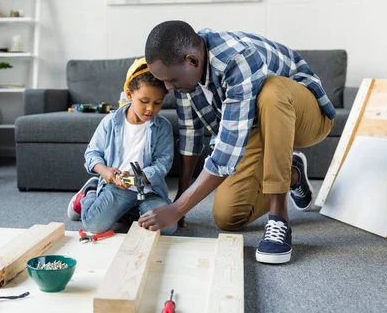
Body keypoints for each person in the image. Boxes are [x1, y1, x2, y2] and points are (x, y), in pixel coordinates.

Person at [137, 21, 335, 264]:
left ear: (192, 61)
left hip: (305, 116)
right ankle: (292, 174)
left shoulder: (237, 58)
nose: (168, 87)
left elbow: (226, 153)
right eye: (164, 81)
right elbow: (191, 134)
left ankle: (279, 217)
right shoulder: (183, 77)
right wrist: (179, 199)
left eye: (171, 80)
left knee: (272, 92)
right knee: (227, 216)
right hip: (254, 128)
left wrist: (178, 208)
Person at [67, 58, 177, 236]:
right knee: (93, 226)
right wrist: (106, 172)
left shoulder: (162, 127)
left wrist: (139, 177)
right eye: (144, 101)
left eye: (158, 103)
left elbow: (163, 163)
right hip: (117, 187)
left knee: (168, 228)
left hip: (148, 190)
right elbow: (92, 153)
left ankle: (126, 212)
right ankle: (90, 193)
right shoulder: (110, 122)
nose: (150, 109)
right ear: (129, 94)